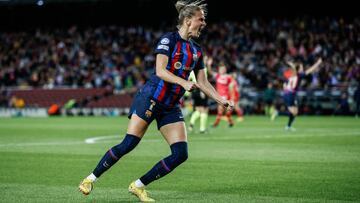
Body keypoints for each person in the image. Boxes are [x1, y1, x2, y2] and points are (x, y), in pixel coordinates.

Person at [78, 1, 234, 202]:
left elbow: (203, 82)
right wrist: (183, 82)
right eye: (200, 19)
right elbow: (160, 71)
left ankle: (138, 186)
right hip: (150, 99)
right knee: (129, 144)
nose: (204, 23)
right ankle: (90, 179)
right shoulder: (168, 41)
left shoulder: (197, 50)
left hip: (170, 106)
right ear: (188, 21)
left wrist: (221, 100)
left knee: (180, 154)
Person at [283, 58, 322, 131]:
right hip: (290, 94)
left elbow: (286, 83)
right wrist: (318, 63)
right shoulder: (299, 75)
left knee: (296, 112)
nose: (302, 68)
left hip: (290, 94)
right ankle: (277, 113)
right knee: (293, 111)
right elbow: (311, 70)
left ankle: (288, 126)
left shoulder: (294, 75)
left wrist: (290, 64)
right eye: (301, 67)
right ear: (298, 69)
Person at [188, 56, 210, 133]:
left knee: (198, 110)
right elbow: (202, 81)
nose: (206, 61)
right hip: (201, 89)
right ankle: (202, 129)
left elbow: (189, 79)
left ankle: (191, 124)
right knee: (204, 110)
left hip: (195, 90)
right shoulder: (202, 69)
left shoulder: (191, 69)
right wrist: (202, 91)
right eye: (206, 60)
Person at [209, 62, 234, 127]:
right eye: (221, 69)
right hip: (219, 96)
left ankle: (216, 124)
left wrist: (231, 97)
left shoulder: (228, 77)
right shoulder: (217, 76)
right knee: (223, 110)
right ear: (219, 70)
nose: (222, 70)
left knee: (221, 110)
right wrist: (209, 64)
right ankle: (230, 122)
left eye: (223, 69)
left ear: (225, 69)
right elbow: (210, 72)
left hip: (226, 95)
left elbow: (231, 85)